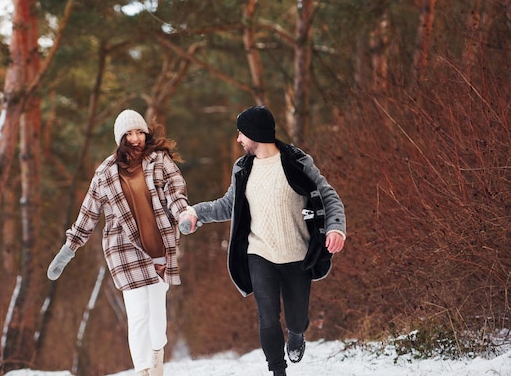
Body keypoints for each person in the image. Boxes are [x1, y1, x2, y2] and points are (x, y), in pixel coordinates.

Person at [179, 105, 346, 376]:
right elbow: (228, 204)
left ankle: (296, 334)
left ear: (255, 133)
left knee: (296, 319)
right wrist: (197, 212)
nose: (238, 140)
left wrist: (336, 228)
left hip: (297, 254)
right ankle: (278, 371)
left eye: (241, 134)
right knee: (267, 318)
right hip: (260, 254)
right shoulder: (243, 168)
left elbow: (328, 196)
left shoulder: (297, 162)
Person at [47, 109, 192, 376]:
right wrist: (69, 248)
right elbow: (88, 213)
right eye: (129, 133)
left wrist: (183, 213)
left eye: (139, 132)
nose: (135, 138)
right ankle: (144, 370)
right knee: (137, 316)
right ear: (120, 138)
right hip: (124, 251)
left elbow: (175, 191)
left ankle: (157, 356)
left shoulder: (159, 161)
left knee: (157, 318)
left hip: (160, 247)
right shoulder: (105, 173)